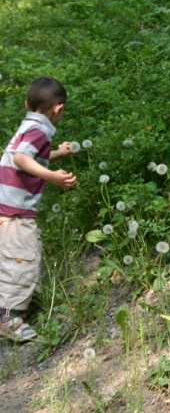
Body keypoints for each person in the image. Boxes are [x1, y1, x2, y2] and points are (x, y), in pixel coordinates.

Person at [0, 76, 77, 341]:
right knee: (23, 258)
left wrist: (57, 152)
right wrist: (51, 175)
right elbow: (22, 158)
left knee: (9, 258)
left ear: (27, 103)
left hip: (6, 206)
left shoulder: (29, 124)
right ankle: (9, 318)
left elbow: (29, 154)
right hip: (16, 212)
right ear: (59, 109)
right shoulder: (39, 129)